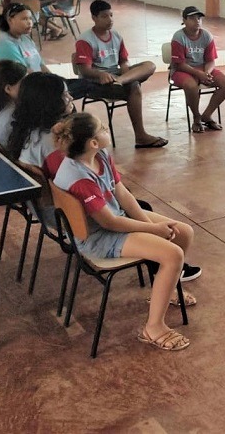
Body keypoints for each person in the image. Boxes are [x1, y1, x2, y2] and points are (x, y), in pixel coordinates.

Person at [52, 112, 198, 351]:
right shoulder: (79, 178)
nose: (107, 130)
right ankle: (153, 328)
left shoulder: (101, 155)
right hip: (97, 238)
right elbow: (109, 223)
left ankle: (166, 291)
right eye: (102, 128)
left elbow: (123, 196)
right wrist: (152, 229)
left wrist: (153, 229)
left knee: (184, 232)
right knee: (173, 255)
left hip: (114, 220)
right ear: (93, 142)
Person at [70, 0, 167, 149]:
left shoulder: (116, 35)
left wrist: (124, 73)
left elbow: (123, 61)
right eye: (104, 16)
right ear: (94, 18)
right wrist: (100, 75)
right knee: (134, 87)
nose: (110, 20)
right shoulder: (85, 40)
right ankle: (140, 136)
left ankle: (122, 81)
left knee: (150, 65)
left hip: (117, 77)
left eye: (111, 15)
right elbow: (84, 70)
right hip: (94, 83)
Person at [169, 6, 225, 133]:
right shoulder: (178, 37)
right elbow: (179, 64)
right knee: (191, 86)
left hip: (203, 69)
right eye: (192, 18)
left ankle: (207, 115)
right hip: (182, 70)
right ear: (184, 20)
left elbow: (210, 61)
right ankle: (196, 117)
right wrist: (198, 74)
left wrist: (206, 73)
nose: (197, 21)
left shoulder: (206, 36)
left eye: (199, 18)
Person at [5, 72, 73, 167]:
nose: (71, 98)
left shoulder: (27, 127)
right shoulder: (54, 142)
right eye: (64, 95)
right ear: (50, 102)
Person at [0, 3, 49, 73]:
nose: (29, 22)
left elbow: (41, 64)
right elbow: (22, 74)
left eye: (30, 18)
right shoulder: (4, 43)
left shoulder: (25, 38)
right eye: (24, 19)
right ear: (10, 20)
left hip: (34, 80)